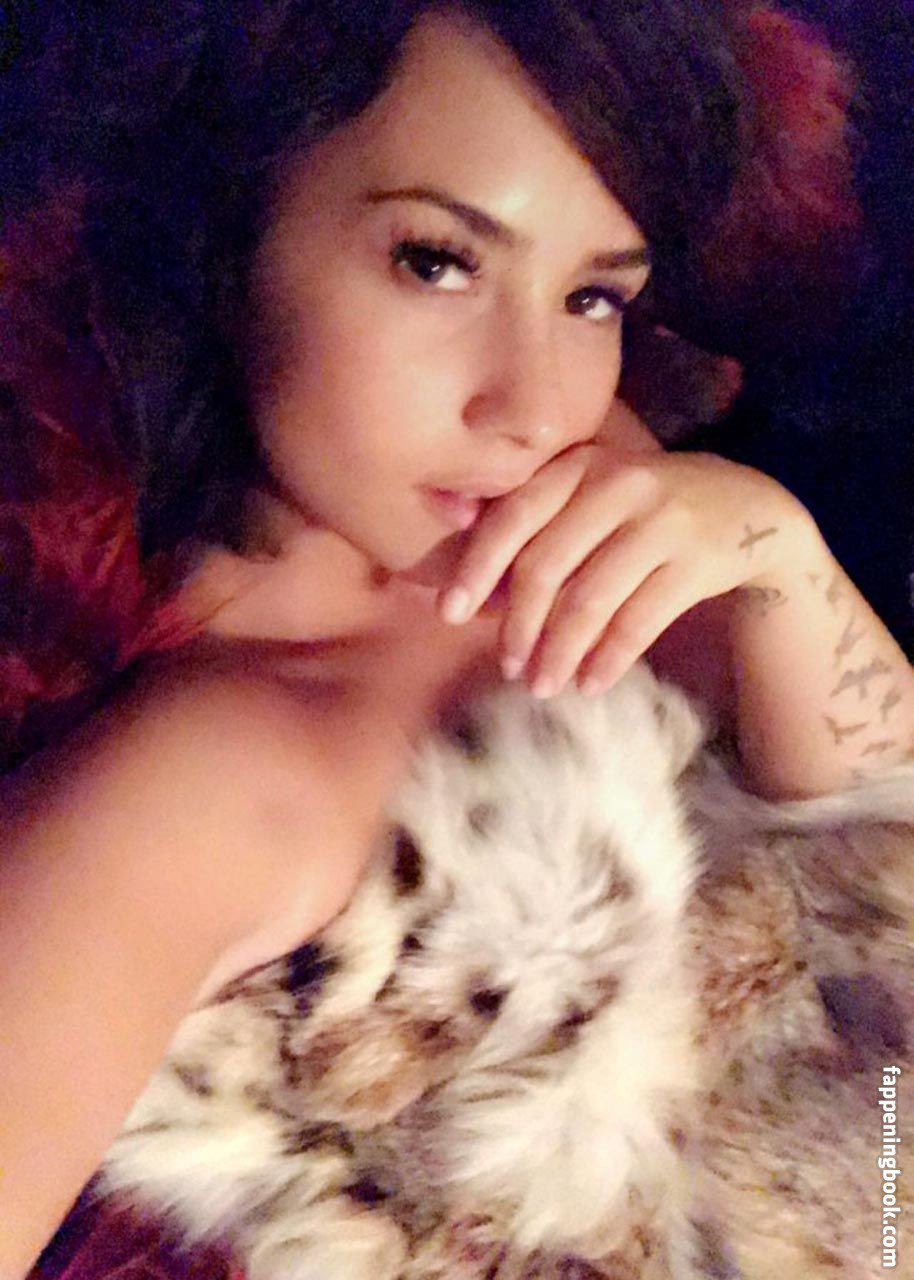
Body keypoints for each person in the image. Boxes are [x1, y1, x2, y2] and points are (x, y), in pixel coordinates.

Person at [0, 2, 911, 1275]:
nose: (531, 402)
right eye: (436, 261)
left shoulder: (563, 484)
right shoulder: (187, 798)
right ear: (232, 235)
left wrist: (776, 552)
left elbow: (877, 834)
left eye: (591, 295)